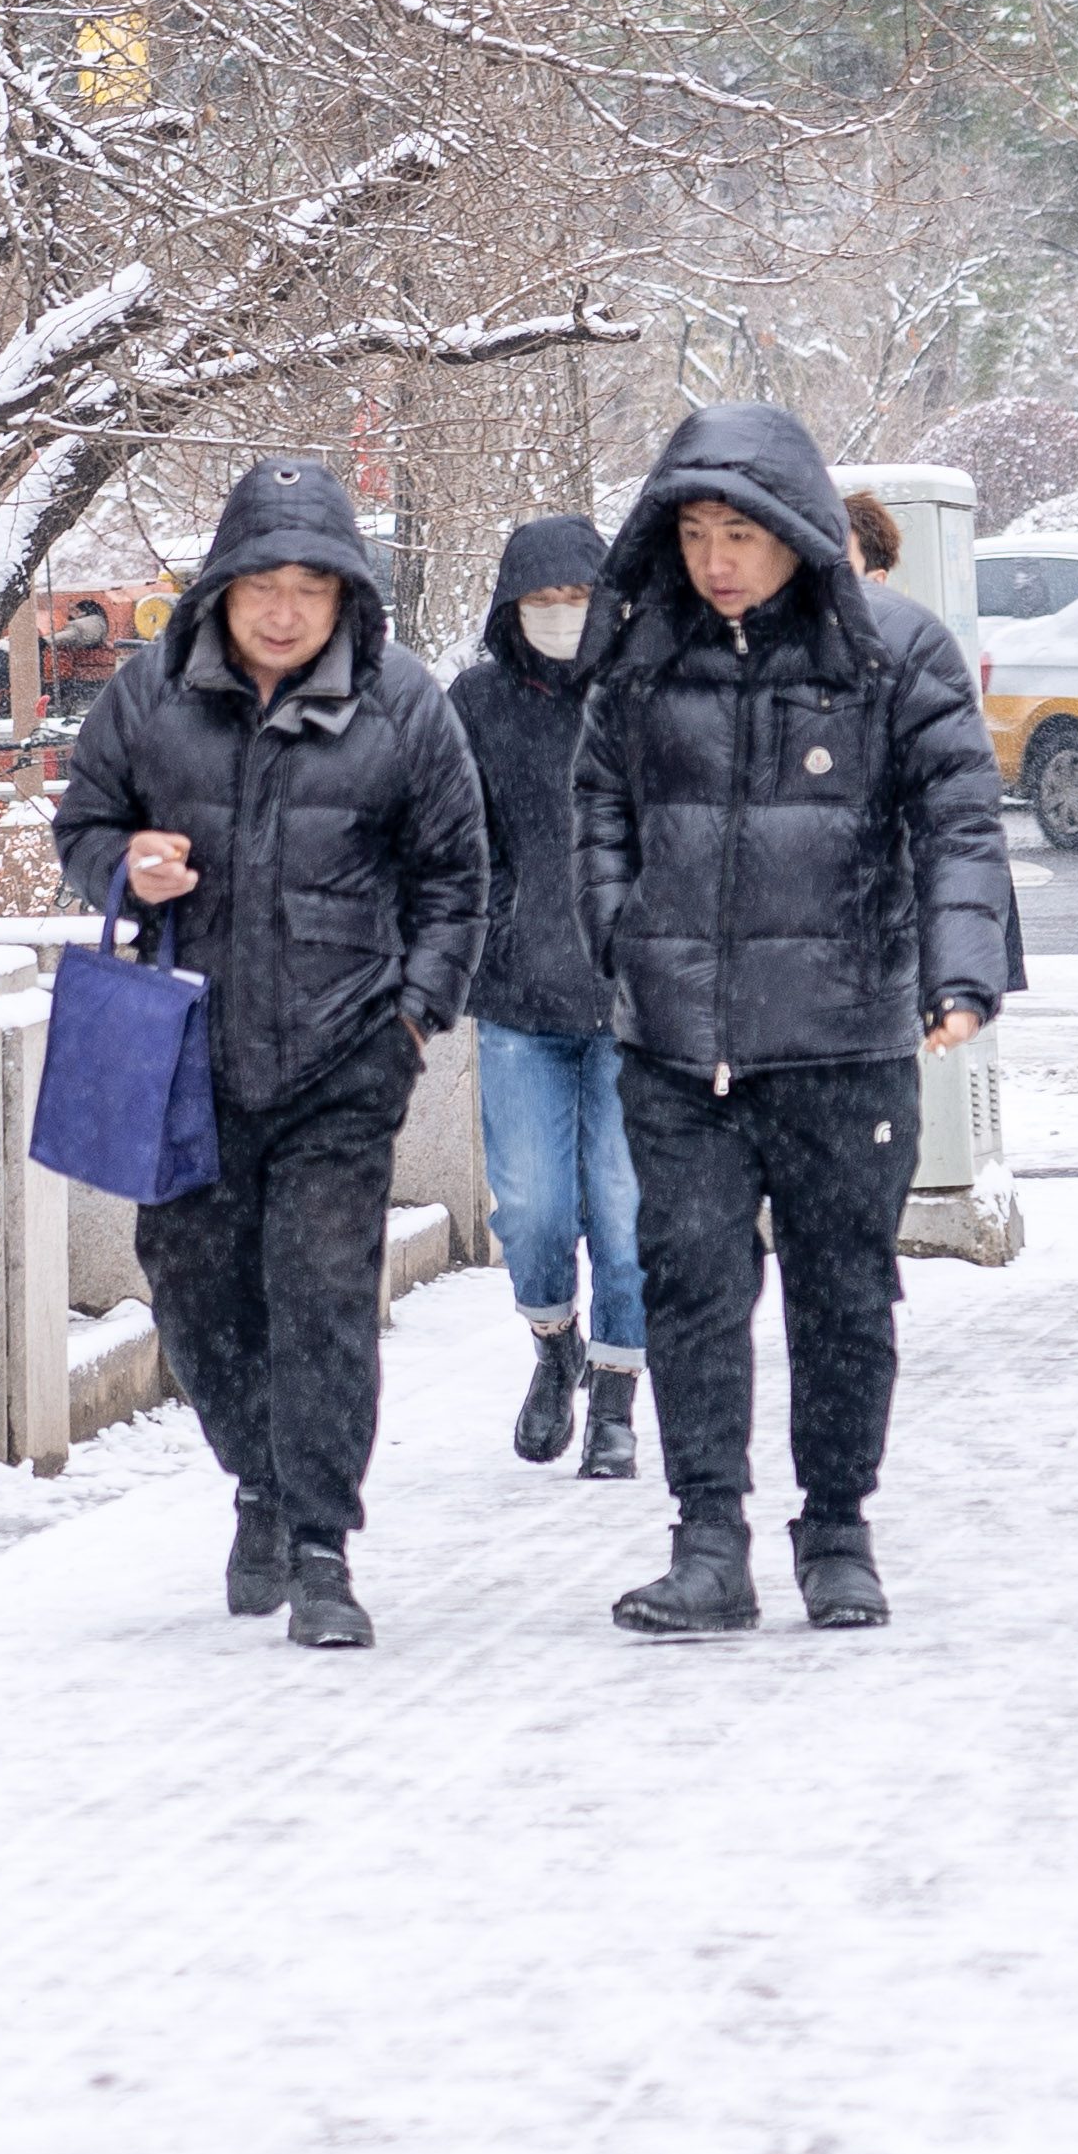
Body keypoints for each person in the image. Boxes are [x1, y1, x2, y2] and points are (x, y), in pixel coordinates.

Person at [572, 405, 1016, 1636]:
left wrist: (960, 971)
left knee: (843, 1293)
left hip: (842, 1039)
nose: (719, 558)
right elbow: (599, 801)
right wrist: (622, 931)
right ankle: (707, 1536)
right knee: (693, 1290)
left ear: (800, 536)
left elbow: (960, 824)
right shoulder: (643, 657)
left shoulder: (894, 654)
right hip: (678, 1045)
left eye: (745, 534)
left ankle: (836, 1527)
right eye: (698, 532)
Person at [53, 455, 494, 1651]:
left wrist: (413, 1019)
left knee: (321, 1294)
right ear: (224, 588)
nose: (286, 609)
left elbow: (458, 879)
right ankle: (259, 1477)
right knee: (192, 1288)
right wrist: (123, 868)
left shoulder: (404, 704)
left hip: (347, 1054)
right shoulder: (151, 696)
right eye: (264, 585)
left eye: (311, 585)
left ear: (346, 590)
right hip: (190, 1053)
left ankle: (320, 1545)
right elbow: (82, 820)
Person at [450, 510, 644, 1477]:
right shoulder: (477, 702)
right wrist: (492, 926)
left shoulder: (645, 691)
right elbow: (452, 838)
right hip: (520, 997)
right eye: (541, 601)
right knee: (529, 1211)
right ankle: (551, 1343)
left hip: (636, 999)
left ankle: (614, 1395)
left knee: (625, 1206)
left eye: (576, 598)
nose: (560, 617)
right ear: (508, 607)